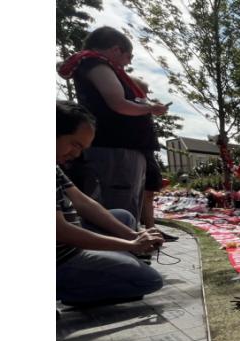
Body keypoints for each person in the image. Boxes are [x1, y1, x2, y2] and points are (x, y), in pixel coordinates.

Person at [56, 101, 164, 307]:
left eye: (82, 148)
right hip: (62, 257)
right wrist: (130, 244)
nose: (76, 154)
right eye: (75, 144)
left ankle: (120, 257)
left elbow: (84, 203)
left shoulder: (55, 166)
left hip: (69, 244)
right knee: (149, 280)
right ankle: (68, 290)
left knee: (124, 217)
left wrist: (133, 236)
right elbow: (61, 231)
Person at [57, 26, 168, 227]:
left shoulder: (104, 67)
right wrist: (150, 108)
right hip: (116, 150)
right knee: (120, 205)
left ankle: (129, 248)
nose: (129, 62)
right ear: (116, 50)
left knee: (127, 205)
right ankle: (125, 252)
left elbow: (138, 87)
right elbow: (118, 103)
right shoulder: (96, 64)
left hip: (122, 148)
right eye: (128, 56)